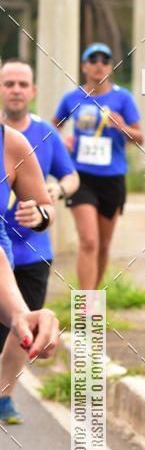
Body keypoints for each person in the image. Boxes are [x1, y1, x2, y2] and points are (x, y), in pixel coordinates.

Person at [0, 59, 79, 423]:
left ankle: (4, 396)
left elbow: (58, 191)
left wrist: (43, 211)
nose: (15, 90)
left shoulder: (24, 141)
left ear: (32, 91)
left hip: (28, 252)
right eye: (9, 83)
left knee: (22, 327)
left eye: (22, 84)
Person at [52, 42, 144, 289]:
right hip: (80, 177)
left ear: (110, 67)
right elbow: (52, 128)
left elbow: (140, 138)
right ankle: (85, 306)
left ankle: (93, 299)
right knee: (89, 241)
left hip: (112, 178)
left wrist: (123, 127)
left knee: (102, 245)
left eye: (104, 61)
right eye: (93, 60)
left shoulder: (122, 98)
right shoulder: (72, 98)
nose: (99, 65)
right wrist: (62, 143)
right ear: (84, 66)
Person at [0, 117, 58, 421]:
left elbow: (46, 205)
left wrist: (40, 216)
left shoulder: (13, 143)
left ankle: (4, 395)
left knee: (16, 329)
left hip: (18, 259)